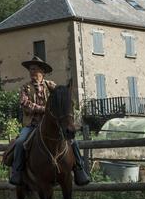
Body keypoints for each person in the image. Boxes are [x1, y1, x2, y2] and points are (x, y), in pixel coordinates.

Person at [8, 56, 90, 187]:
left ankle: (80, 169)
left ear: (42, 72)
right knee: (19, 142)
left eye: (34, 69)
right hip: (32, 125)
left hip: (52, 124)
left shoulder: (52, 86)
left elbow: (60, 101)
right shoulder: (25, 88)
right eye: (30, 69)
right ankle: (17, 172)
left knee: (72, 141)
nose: (31, 72)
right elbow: (25, 104)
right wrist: (44, 109)